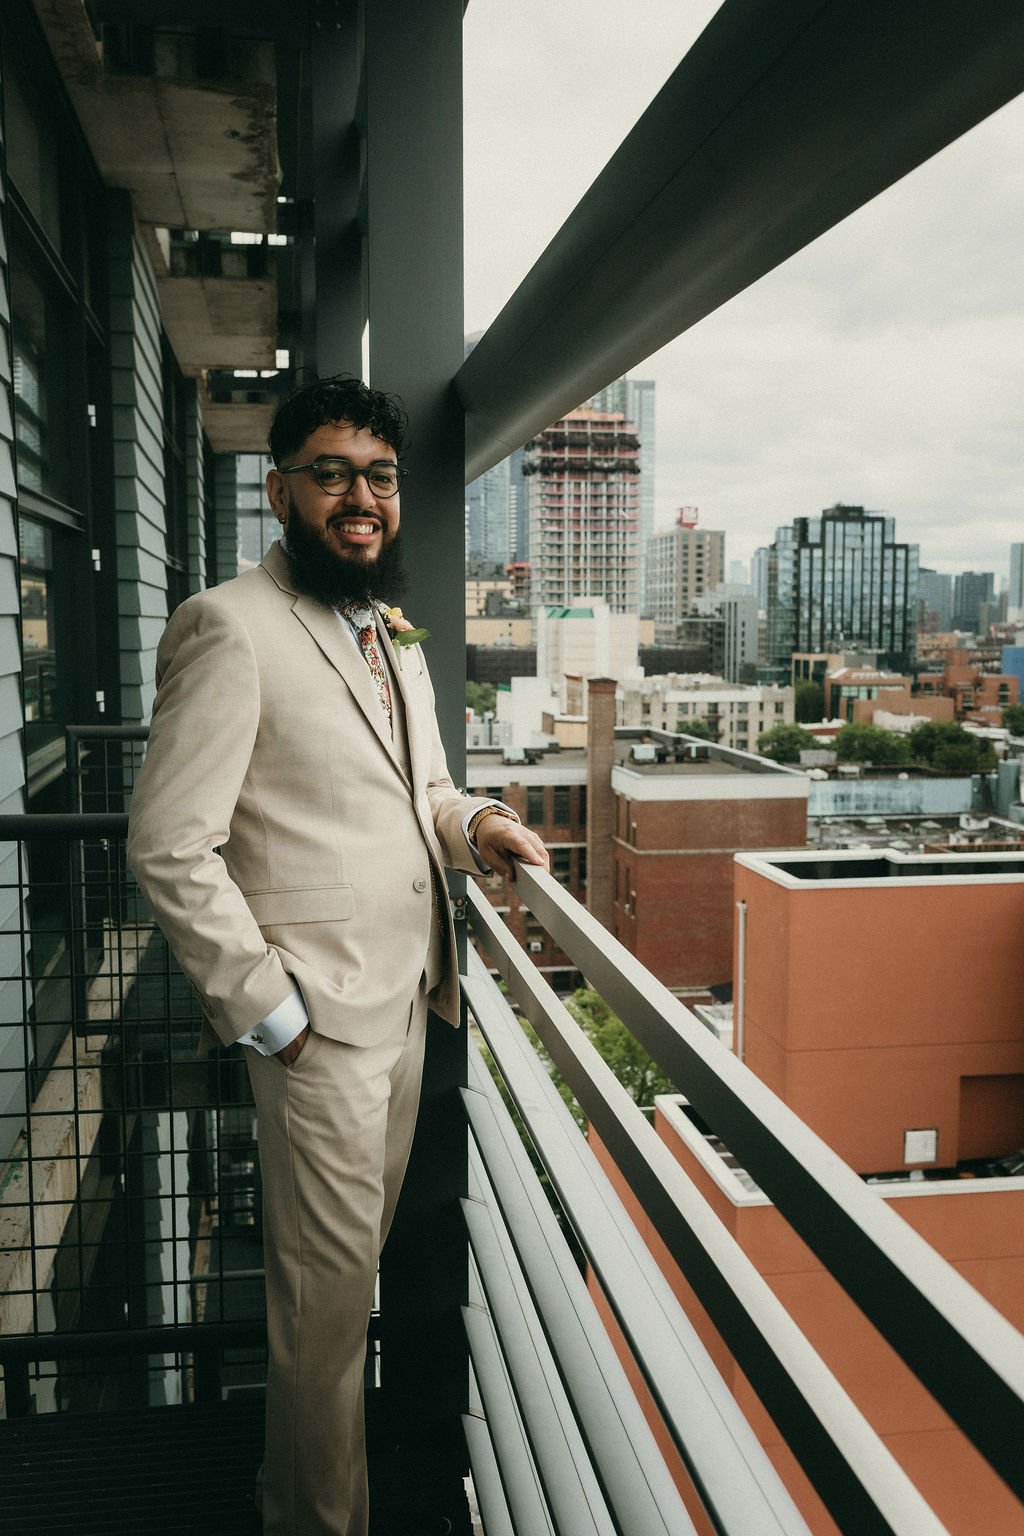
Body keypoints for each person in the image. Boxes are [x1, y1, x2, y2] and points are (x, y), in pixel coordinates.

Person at [127, 375, 548, 1536]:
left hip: (412, 1002)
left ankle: (301, 1503)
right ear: (280, 491)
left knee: (345, 1294)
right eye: (331, 474)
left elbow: (423, 792)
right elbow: (169, 845)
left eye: (377, 475)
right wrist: (270, 1012)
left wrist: (481, 828)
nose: (358, 497)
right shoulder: (228, 624)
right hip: (316, 1027)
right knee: (320, 1314)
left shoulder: (381, 625)